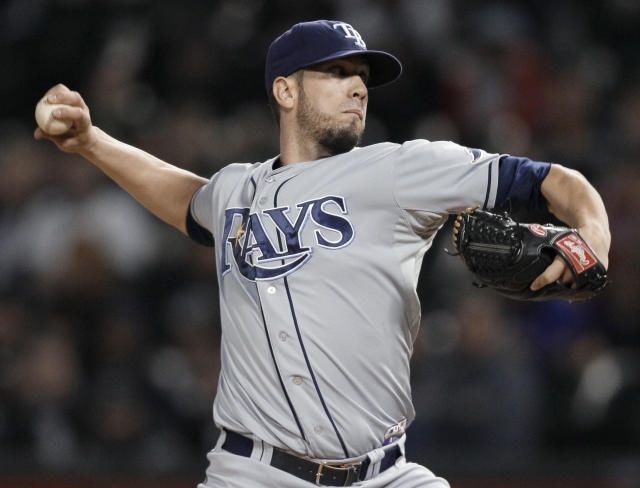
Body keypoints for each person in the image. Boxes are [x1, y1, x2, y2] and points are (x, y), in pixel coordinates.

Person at [35, 19, 610, 488]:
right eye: (337, 72)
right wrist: (91, 141)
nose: (358, 86)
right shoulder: (237, 188)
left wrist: (594, 241)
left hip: (386, 474)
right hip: (252, 473)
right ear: (285, 90)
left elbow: (554, 181)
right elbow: (187, 198)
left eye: (362, 75)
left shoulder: (400, 168)